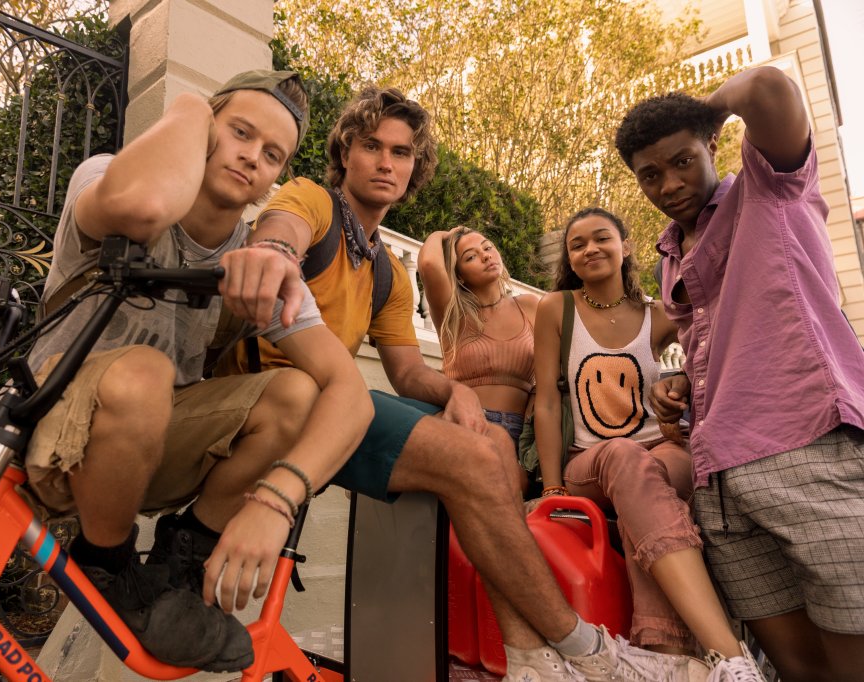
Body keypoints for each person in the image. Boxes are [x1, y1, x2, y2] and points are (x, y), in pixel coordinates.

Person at [218, 85, 713, 682]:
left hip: (336, 414)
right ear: (344, 151)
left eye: (401, 153)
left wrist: (455, 392)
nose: (385, 162)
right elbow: (281, 226)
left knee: (493, 452)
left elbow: (406, 372)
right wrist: (272, 249)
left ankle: (528, 656)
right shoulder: (315, 203)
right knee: (477, 458)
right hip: (276, 402)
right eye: (372, 146)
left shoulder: (383, 274)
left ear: (414, 169)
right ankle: (584, 651)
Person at [25, 70, 372, 672]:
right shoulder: (111, 174)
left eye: (272, 155)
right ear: (203, 130)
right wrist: (188, 105)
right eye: (238, 131)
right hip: (56, 436)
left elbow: (352, 396)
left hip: (145, 453)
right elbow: (143, 206)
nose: (251, 156)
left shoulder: (255, 260)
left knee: (296, 391)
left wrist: (276, 499)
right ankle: (106, 567)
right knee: (145, 372)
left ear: (272, 183)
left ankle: (178, 565)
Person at [615, 64, 864, 682]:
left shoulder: (768, 188)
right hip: (720, 479)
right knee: (795, 667)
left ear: (714, 146)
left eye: (682, 160)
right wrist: (681, 389)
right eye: (650, 174)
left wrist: (705, 108)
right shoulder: (671, 256)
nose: (669, 183)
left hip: (805, 450)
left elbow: (767, 89)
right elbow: (722, 346)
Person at [533, 206, 765, 681]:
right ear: (570, 260)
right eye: (578, 245)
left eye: (602, 238)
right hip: (590, 461)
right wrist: (553, 486)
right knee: (624, 456)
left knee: (648, 471)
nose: (590, 249)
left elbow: (703, 363)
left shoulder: (658, 317)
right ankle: (730, 655)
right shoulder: (557, 310)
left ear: (626, 247)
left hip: (662, 448)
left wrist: (676, 382)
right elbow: (546, 403)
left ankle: (668, 657)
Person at [419, 227, 537, 450]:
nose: (485, 256)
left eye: (488, 247)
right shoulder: (453, 314)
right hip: (469, 425)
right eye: (471, 256)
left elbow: (555, 369)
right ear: (459, 275)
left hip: (525, 433)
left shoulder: (530, 306)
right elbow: (429, 265)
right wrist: (446, 235)